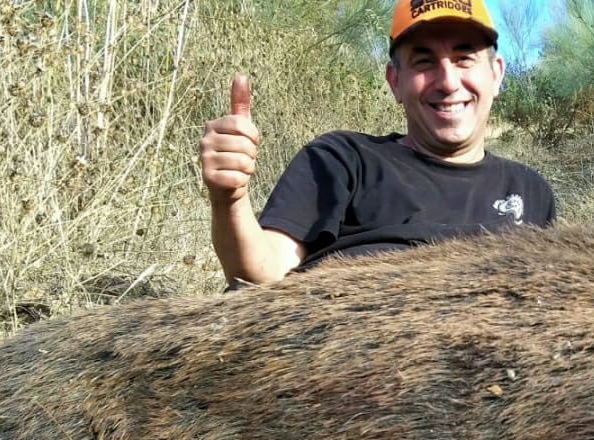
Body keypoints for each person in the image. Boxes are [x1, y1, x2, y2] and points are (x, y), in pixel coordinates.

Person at [199, 0, 556, 284]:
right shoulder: (341, 160)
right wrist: (228, 200)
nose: (448, 82)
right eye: (424, 62)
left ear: (495, 75)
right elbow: (263, 275)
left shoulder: (531, 190)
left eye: (464, 59)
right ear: (394, 81)